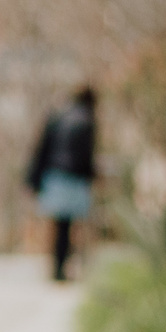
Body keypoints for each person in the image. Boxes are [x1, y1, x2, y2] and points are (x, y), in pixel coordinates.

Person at [26, 87, 97, 282]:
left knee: (58, 225)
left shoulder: (57, 116)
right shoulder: (87, 121)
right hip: (74, 178)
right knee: (69, 226)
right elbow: (87, 156)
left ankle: (56, 266)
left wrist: (33, 179)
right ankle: (62, 267)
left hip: (54, 177)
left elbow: (41, 149)